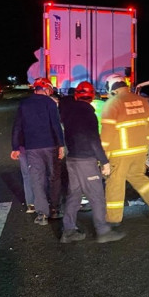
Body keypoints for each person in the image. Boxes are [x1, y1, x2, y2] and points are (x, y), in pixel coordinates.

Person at [58, 81, 125, 243]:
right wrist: (104, 162)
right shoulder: (88, 114)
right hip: (85, 161)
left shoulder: (68, 112)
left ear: (76, 95)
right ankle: (103, 231)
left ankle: (68, 231)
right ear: (92, 96)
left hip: (72, 158)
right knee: (96, 196)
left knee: (74, 195)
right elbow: (94, 140)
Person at [100, 74, 149, 225]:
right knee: (137, 176)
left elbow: (107, 134)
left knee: (115, 183)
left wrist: (102, 156)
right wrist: (145, 146)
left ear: (111, 88)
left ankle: (112, 219)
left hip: (120, 152)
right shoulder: (142, 101)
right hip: (140, 151)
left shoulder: (112, 103)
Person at [10, 78, 65, 226]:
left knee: (37, 179)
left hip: (32, 148)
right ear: (46, 89)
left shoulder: (24, 104)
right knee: (54, 177)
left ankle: (42, 214)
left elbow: (17, 127)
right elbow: (56, 124)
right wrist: (61, 145)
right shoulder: (50, 103)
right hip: (50, 146)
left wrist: (15, 147)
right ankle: (54, 210)